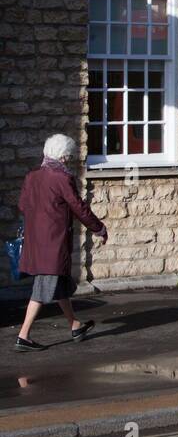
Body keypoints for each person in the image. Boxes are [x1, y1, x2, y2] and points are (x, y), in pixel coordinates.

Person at [14, 134, 108, 352]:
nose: (69, 160)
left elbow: (23, 205)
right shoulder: (61, 178)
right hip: (52, 243)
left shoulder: (32, 176)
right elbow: (79, 207)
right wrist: (99, 228)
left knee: (59, 285)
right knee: (43, 289)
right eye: (69, 156)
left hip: (37, 240)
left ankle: (75, 326)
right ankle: (23, 336)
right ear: (64, 156)